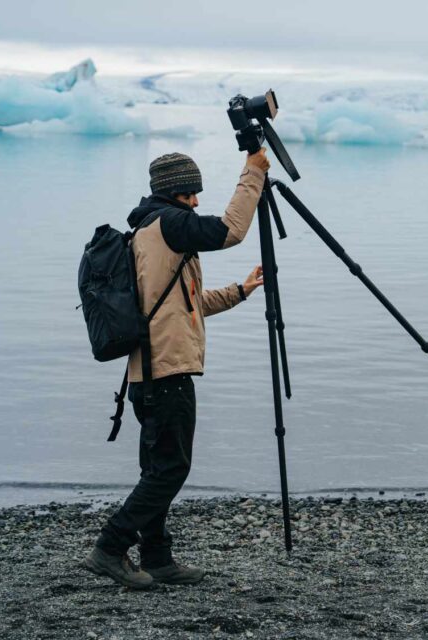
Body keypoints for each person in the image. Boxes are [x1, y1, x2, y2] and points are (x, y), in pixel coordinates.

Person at [83, 149, 270, 588]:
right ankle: (109, 547)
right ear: (175, 193)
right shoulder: (169, 223)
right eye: (191, 194)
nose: (197, 202)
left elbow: (186, 304)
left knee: (158, 469)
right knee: (171, 469)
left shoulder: (147, 230)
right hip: (166, 372)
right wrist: (253, 173)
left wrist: (240, 291)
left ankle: (158, 558)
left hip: (146, 374)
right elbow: (230, 231)